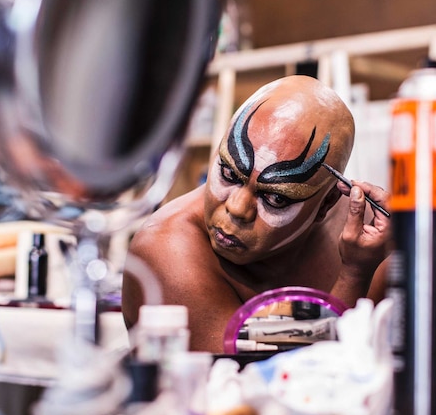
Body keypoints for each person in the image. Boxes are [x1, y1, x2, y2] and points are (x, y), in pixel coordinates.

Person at [121, 75, 390, 352]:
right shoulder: (167, 248)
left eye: (275, 197)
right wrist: (355, 276)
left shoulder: (367, 234)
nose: (237, 208)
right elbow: (263, 381)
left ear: (326, 204)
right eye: (228, 173)